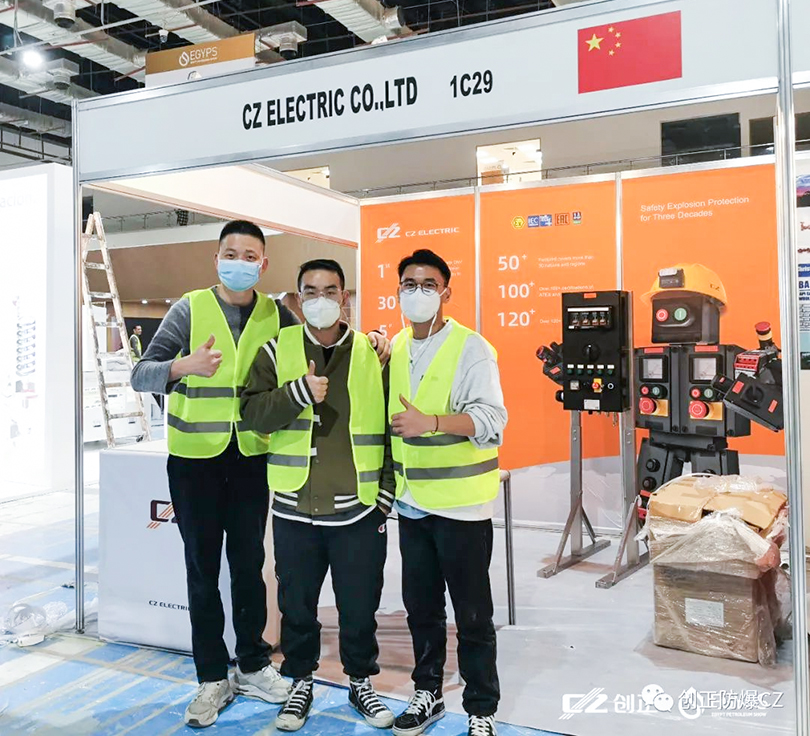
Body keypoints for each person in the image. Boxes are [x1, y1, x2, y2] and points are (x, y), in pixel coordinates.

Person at [131, 222, 390, 729]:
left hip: (251, 457)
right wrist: (182, 367)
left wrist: (376, 338)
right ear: (217, 258)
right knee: (202, 569)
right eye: (231, 253)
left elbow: (321, 337)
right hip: (196, 459)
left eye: (250, 256)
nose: (240, 263)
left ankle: (252, 664)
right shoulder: (189, 308)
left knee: (249, 566)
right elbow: (142, 373)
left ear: (263, 264)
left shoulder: (276, 314)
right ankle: (211, 676)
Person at [241, 258, 395, 732]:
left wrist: (385, 497)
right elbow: (251, 413)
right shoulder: (276, 349)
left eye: (330, 291)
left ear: (344, 297)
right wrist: (298, 393)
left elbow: (393, 426)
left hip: (358, 510)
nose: (321, 299)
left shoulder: (373, 353)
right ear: (298, 297)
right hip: (294, 508)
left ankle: (360, 681)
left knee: (359, 605)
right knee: (297, 606)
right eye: (311, 291)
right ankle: (300, 680)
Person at [387, 249, 507, 736]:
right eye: (409, 284)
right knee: (421, 609)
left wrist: (432, 422)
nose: (417, 293)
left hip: (462, 507)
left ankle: (481, 708)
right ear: (398, 292)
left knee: (472, 614)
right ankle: (428, 692)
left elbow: (492, 420)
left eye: (428, 285)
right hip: (412, 504)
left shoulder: (471, 348)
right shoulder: (395, 347)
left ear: (446, 293)